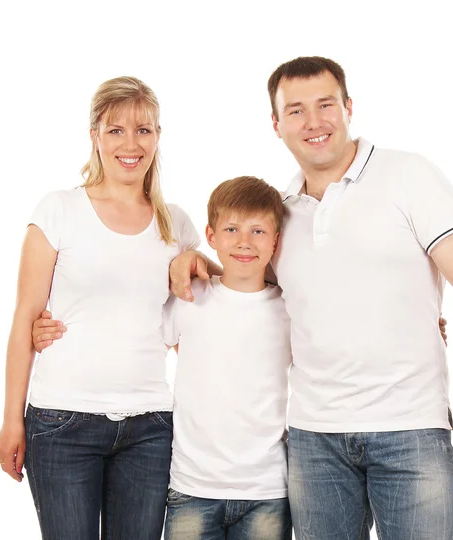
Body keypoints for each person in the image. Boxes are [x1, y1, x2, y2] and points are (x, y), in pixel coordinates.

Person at [168, 56, 453, 539]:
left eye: (326, 104)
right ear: (277, 124)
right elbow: (247, 283)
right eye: (296, 110)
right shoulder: (281, 214)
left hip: (409, 427)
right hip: (314, 439)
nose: (314, 122)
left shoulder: (409, 177)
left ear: (349, 107)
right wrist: (190, 261)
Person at [0, 76, 201, 540]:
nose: (131, 144)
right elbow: (24, 319)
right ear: (94, 137)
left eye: (144, 130)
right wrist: (11, 421)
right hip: (61, 422)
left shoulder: (177, 225)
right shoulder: (59, 210)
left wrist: (196, 257)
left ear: (158, 137)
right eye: (116, 130)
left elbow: (203, 313)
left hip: (149, 426)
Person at [161, 175, 292, 540]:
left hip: (266, 490)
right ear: (211, 235)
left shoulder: (289, 309)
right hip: (192, 487)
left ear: (276, 241)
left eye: (258, 231)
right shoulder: (190, 297)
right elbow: (137, 341)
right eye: (232, 229)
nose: (244, 242)